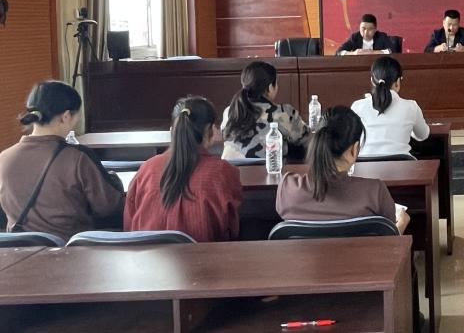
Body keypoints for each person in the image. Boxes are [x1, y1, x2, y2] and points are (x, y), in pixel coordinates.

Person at [0, 81, 124, 240]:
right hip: (70, 249)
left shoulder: (4, 157)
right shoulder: (78, 158)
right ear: (66, 116)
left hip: (19, 250)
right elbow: (108, 207)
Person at [124, 96, 243, 242]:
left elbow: (129, 226)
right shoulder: (222, 172)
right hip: (205, 256)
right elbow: (232, 228)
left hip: (148, 255)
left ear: (172, 131)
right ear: (210, 130)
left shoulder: (146, 169)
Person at [277, 106, 410, 232]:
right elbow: (388, 241)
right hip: (361, 251)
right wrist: (401, 224)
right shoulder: (375, 192)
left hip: (305, 251)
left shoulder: (288, 188)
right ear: (354, 149)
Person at [222, 61, 311, 159]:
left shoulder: (230, 111)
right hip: (270, 168)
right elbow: (308, 141)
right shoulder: (283, 112)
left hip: (230, 167)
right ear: (270, 87)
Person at [351, 56, 430, 158]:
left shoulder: (358, 106)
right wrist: (409, 128)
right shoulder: (411, 107)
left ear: (372, 81)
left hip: (365, 166)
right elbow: (423, 135)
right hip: (402, 166)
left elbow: (351, 139)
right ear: (398, 82)